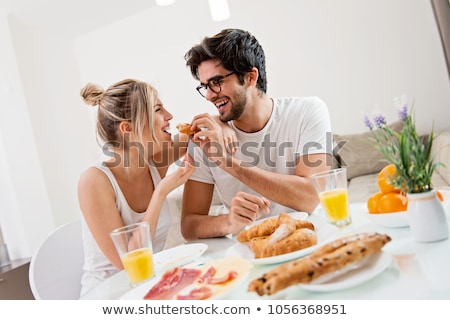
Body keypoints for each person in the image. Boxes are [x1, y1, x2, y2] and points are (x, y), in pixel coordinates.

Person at [77, 79, 234, 295]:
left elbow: (197, 131)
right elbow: (128, 265)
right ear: (128, 128)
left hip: (149, 288)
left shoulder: (154, 160)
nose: (169, 116)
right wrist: (161, 192)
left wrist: (219, 123)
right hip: (109, 295)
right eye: (158, 110)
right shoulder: (94, 182)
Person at [181, 28, 333, 241]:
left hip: (311, 237)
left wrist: (227, 162)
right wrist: (229, 222)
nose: (208, 96)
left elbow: (310, 197)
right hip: (250, 250)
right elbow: (189, 225)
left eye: (217, 82)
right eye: (205, 86)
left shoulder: (307, 112)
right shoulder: (205, 138)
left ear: (250, 77)